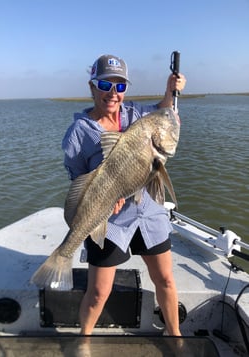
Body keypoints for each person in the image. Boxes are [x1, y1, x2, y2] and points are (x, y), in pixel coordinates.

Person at [62, 54, 186, 336]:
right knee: (98, 293)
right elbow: (76, 177)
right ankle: (84, 339)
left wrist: (171, 91)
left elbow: (164, 114)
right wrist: (105, 196)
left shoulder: (136, 114)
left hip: (148, 212)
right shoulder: (78, 133)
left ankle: (175, 335)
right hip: (110, 218)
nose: (112, 94)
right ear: (92, 87)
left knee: (165, 279)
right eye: (105, 84)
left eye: (120, 87)